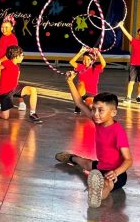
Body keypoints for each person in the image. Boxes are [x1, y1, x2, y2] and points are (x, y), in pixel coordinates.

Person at [57, 72, 133, 208]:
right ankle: (72, 158)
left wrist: (116, 172)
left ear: (113, 112)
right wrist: (69, 81)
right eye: (94, 109)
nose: (95, 114)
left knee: (107, 184)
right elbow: (79, 102)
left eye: (101, 110)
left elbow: (128, 160)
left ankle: (95, 195)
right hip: (100, 166)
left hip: (115, 172)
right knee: (85, 163)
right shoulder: (98, 121)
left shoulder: (118, 132)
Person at [0, 45, 43, 123]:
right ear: (16, 56)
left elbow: (9, 81)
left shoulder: (16, 67)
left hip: (15, 88)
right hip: (5, 92)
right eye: (22, 55)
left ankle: (32, 113)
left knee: (33, 90)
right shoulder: (6, 63)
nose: (23, 57)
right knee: (5, 117)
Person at [117, 22, 140, 103]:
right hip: (134, 65)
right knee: (131, 81)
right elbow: (127, 35)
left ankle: (139, 96)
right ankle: (128, 97)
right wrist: (121, 26)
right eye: (139, 34)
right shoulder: (134, 42)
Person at [69, 46, 106, 113]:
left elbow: (104, 64)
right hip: (81, 92)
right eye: (84, 60)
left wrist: (99, 54)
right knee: (81, 83)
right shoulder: (81, 67)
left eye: (88, 60)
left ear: (92, 61)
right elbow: (71, 62)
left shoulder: (96, 68)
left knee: (91, 106)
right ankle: (78, 104)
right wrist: (80, 52)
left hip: (91, 93)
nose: (86, 62)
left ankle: (82, 104)